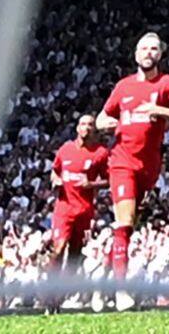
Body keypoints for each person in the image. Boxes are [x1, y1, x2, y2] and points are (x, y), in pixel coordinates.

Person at [94, 31, 169, 302]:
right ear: (136, 54)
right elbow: (102, 117)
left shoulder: (167, 84)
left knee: (127, 227)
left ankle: (101, 281)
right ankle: (120, 291)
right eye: (144, 49)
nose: (148, 53)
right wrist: (104, 124)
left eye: (153, 49)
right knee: (124, 222)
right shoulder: (123, 86)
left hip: (149, 166)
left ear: (160, 54)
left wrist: (159, 110)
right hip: (121, 162)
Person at [46, 114, 108, 300]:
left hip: (84, 211)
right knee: (58, 248)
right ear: (77, 128)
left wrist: (92, 184)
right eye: (83, 124)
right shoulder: (66, 149)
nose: (86, 127)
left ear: (94, 129)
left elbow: (109, 180)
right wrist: (55, 180)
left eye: (90, 125)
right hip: (64, 209)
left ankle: (61, 295)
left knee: (74, 253)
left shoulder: (100, 153)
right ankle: (50, 289)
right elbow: (54, 171)